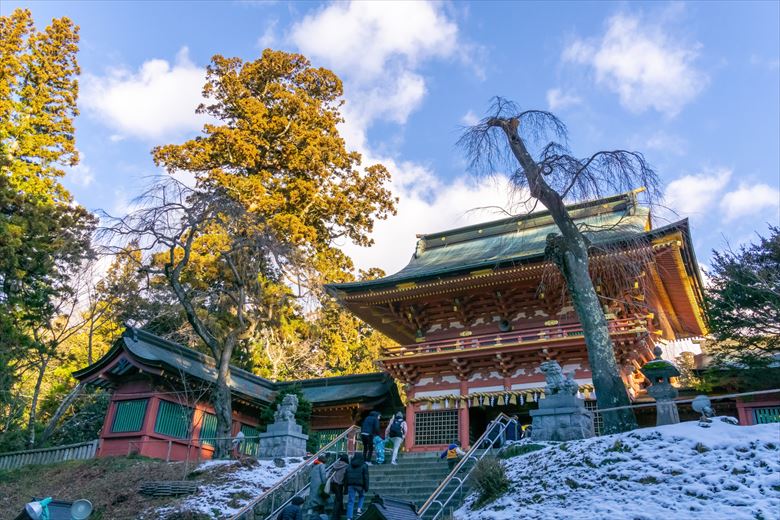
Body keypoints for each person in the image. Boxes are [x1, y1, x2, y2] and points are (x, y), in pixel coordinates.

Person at [344, 453, 369, 520]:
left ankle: (349, 517)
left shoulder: (349, 466)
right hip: (360, 485)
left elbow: (346, 477)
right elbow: (366, 477)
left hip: (350, 485)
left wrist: (345, 487)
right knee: (362, 496)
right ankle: (359, 510)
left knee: (351, 501)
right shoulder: (364, 466)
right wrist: (366, 487)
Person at [307, 454, 328, 519]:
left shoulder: (314, 466)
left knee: (313, 501)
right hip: (319, 486)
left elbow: (309, 477)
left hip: (313, 486)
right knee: (320, 501)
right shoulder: (321, 465)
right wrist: (325, 483)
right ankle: (321, 516)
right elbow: (323, 474)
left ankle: (309, 514)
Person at [330, 452, 349, 520]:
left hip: (333, 483)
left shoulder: (335, 464)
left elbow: (330, 473)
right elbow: (346, 476)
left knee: (338, 498)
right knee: (338, 500)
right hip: (339, 484)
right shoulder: (346, 466)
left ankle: (341, 511)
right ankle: (335, 516)